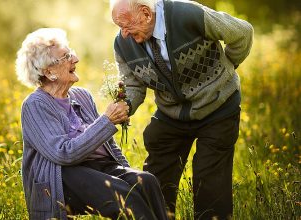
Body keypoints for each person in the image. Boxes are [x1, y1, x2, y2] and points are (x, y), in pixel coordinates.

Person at [110, 0, 253, 219]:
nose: (124, 34)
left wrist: (227, 67)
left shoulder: (187, 14)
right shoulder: (123, 44)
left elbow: (242, 32)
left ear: (146, 14)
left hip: (218, 106)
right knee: (154, 176)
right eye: (119, 27)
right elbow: (133, 86)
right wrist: (126, 105)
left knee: (210, 181)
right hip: (172, 113)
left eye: (126, 25)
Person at [15, 28, 168, 220]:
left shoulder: (82, 96)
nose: (76, 59)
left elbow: (108, 144)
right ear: (49, 72)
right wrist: (107, 120)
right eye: (66, 56)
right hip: (64, 177)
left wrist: (127, 174)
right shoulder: (35, 105)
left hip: (98, 167)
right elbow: (64, 153)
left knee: (145, 182)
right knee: (127, 200)